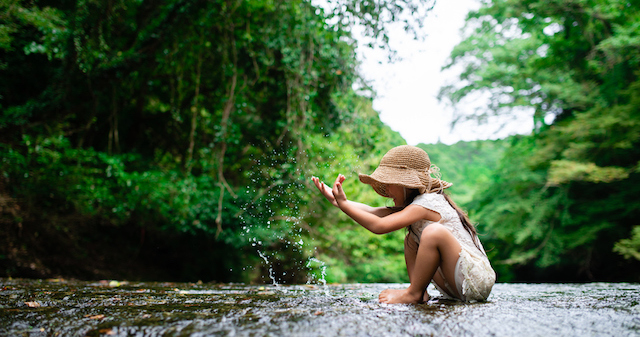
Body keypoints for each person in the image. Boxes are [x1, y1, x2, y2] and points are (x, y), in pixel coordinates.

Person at [311, 145, 495, 304]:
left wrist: (343, 204)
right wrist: (339, 202)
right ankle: (420, 292)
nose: (387, 190)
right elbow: (371, 211)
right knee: (411, 239)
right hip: (455, 284)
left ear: (407, 184)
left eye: (390, 184)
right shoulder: (413, 206)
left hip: (474, 282)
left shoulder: (428, 203)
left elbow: (378, 226)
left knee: (433, 232)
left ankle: (413, 293)